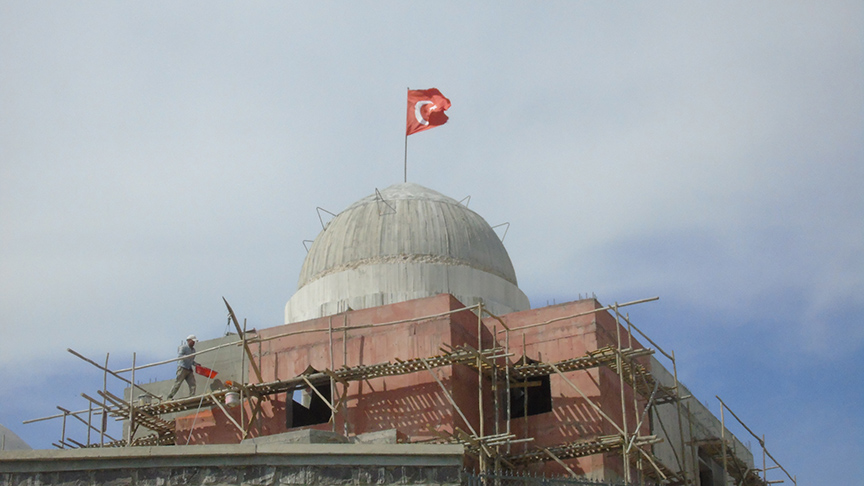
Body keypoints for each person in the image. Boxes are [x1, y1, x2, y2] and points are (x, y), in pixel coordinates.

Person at [166, 334, 198, 399]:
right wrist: (187, 356)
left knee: (192, 384)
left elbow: (191, 361)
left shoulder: (193, 350)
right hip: (182, 368)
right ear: (189, 341)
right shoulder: (183, 347)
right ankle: (170, 397)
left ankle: (192, 396)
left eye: (194, 342)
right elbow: (180, 356)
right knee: (178, 383)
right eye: (192, 341)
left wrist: (195, 364)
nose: (194, 343)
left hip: (189, 369)